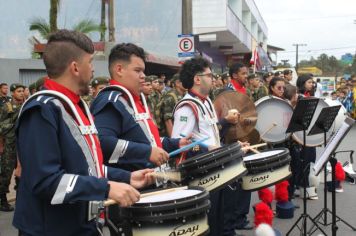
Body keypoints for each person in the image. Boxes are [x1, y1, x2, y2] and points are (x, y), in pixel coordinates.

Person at [13, 30, 154, 236]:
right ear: (75, 67)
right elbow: (45, 181)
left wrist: (127, 177)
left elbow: (86, 167)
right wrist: (105, 188)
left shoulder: (76, 105)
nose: (94, 70)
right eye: (90, 62)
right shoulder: (42, 110)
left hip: (82, 226)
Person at [90, 43, 191, 172]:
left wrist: (175, 144)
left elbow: (146, 139)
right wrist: (146, 152)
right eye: (137, 70)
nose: (143, 75)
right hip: (132, 187)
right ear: (119, 70)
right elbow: (102, 142)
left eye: (143, 71)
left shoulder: (134, 100)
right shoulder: (112, 101)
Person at [171, 57, 241, 236]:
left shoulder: (206, 101)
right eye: (210, 75)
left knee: (218, 219)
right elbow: (179, 147)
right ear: (197, 79)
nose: (214, 79)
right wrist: (206, 150)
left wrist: (226, 142)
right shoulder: (187, 107)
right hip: (202, 175)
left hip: (214, 169)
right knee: (206, 223)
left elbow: (211, 133)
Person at [0, 83, 25, 212]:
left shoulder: (25, 105)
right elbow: (1, 125)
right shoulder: (7, 107)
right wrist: (14, 124)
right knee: (6, 173)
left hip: (23, 144)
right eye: (18, 91)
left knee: (22, 173)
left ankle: (21, 198)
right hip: (10, 145)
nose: (21, 93)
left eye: (22, 91)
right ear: (12, 93)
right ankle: (2, 200)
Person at [296, 73, 319, 200]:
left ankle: (307, 184)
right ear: (302, 83)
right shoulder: (300, 97)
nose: (312, 84)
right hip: (302, 134)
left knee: (311, 158)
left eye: (312, 82)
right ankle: (304, 186)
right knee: (304, 159)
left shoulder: (310, 95)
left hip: (310, 133)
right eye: (309, 82)